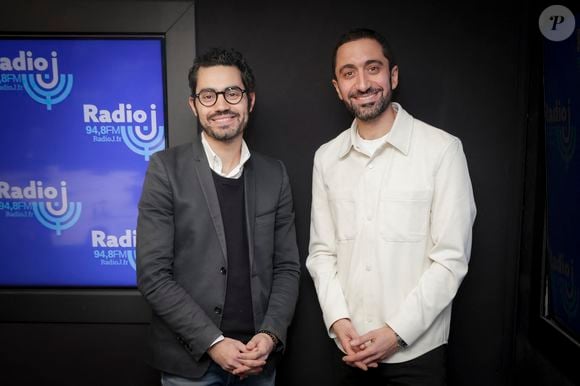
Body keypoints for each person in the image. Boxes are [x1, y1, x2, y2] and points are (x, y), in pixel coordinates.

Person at [306, 28, 476, 386]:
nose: (363, 82)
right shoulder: (326, 158)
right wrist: (339, 321)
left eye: (373, 68)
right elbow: (322, 253)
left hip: (417, 356)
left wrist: (396, 333)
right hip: (349, 354)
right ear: (337, 87)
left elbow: (450, 259)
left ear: (393, 75)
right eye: (349, 73)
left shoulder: (442, 151)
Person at [137, 47, 301, 386]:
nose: (222, 105)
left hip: (259, 360)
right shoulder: (165, 169)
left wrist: (270, 335)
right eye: (208, 96)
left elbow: (287, 267)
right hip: (191, 364)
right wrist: (213, 342)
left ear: (249, 100)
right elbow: (153, 274)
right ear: (193, 105)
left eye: (232, 92)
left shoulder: (276, 174)